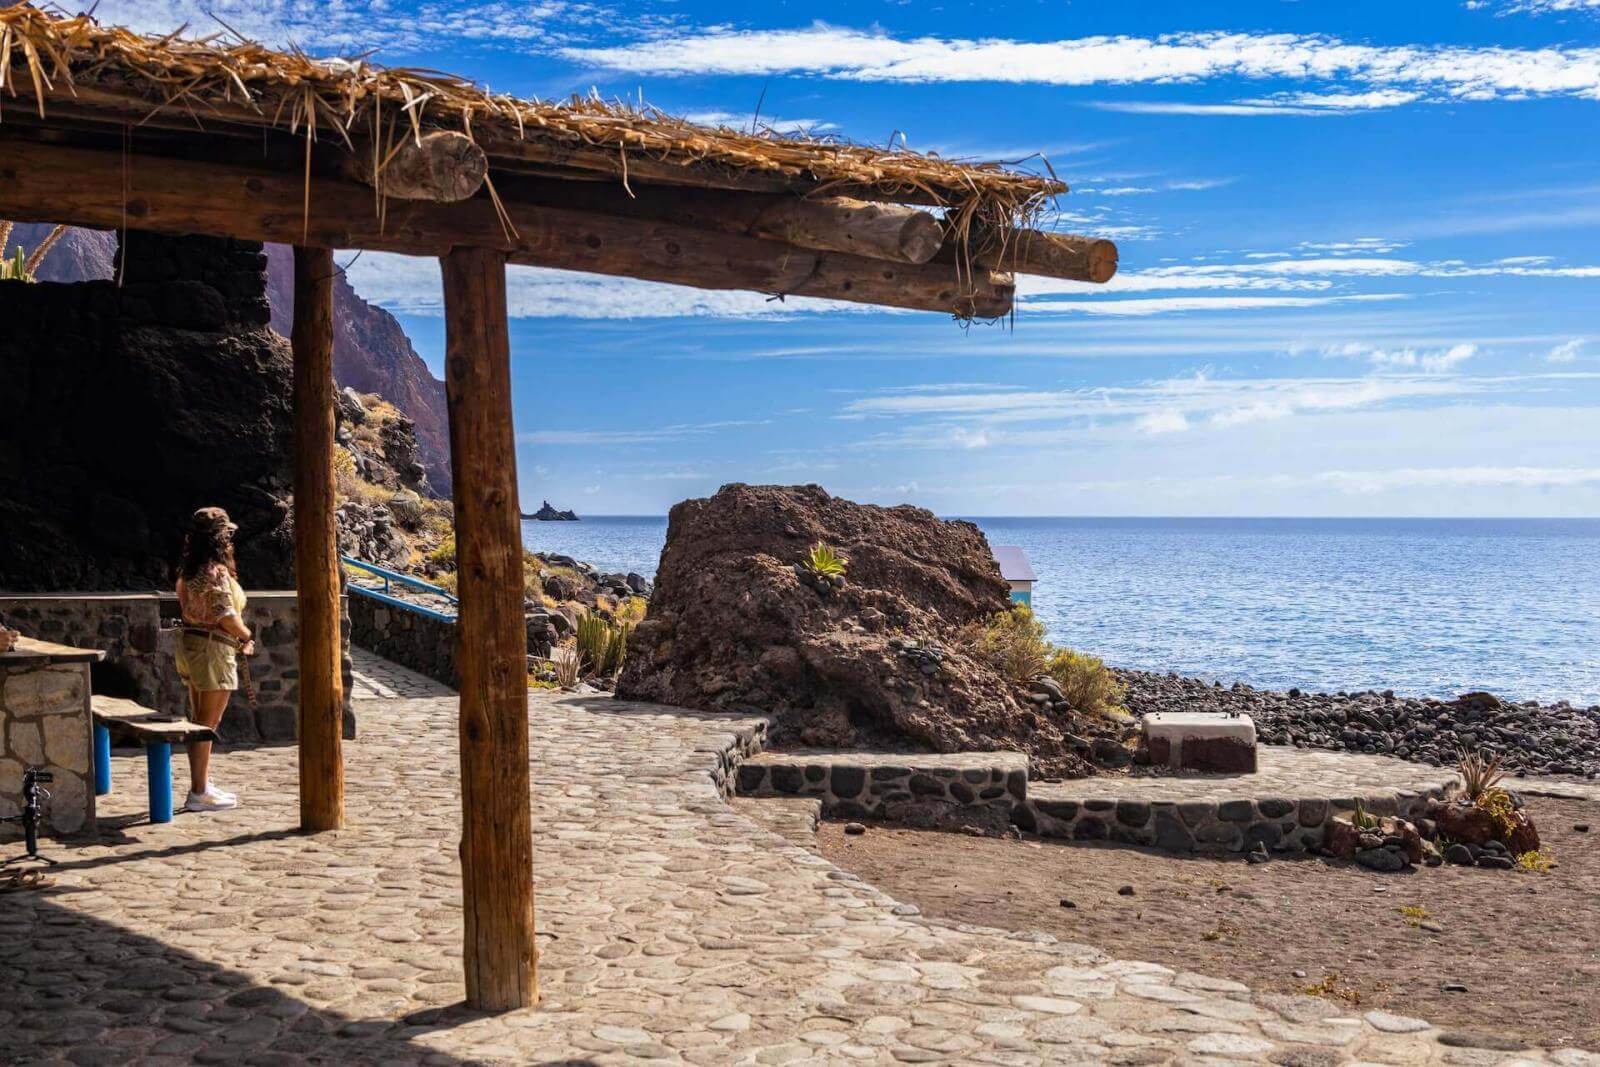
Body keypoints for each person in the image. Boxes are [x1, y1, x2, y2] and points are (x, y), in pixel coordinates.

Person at [173, 507, 254, 812]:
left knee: (198, 721)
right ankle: (198, 792)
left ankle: (202, 784)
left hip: (192, 646)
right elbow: (226, 615)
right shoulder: (215, 572)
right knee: (208, 723)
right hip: (212, 650)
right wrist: (247, 636)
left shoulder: (188, 572)